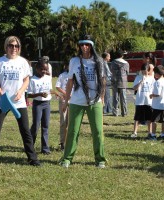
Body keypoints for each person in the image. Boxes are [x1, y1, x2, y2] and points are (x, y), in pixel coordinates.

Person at [0, 36, 40, 169]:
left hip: (19, 102)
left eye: (16, 46)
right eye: (11, 45)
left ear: (19, 48)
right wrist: (2, 95)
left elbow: (26, 80)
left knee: (25, 131)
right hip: (2, 102)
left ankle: (33, 158)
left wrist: (21, 92)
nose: (14, 48)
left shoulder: (23, 62)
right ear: (6, 47)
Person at [58, 34, 106, 168]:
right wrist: (66, 101)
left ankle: (100, 159)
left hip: (94, 101)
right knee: (73, 131)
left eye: (87, 44)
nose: (84, 47)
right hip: (77, 101)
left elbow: (103, 81)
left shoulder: (99, 61)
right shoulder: (74, 61)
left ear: (91, 45)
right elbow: (70, 82)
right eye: (82, 44)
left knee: (97, 131)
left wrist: (102, 98)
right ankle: (67, 158)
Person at [27, 59, 53, 155]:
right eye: (42, 69)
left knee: (45, 126)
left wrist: (49, 93)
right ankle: (30, 146)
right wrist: (39, 94)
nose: (44, 72)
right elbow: (29, 95)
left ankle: (45, 148)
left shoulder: (47, 78)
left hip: (47, 103)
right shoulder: (33, 80)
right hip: (38, 104)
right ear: (37, 68)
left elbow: (50, 89)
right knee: (36, 125)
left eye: (45, 70)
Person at [131, 64, 155, 138]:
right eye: (143, 71)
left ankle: (150, 132)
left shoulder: (152, 78)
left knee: (149, 118)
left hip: (149, 101)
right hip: (140, 100)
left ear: (148, 71)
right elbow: (134, 88)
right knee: (137, 118)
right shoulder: (138, 77)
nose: (144, 73)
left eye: (145, 71)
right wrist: (141, 81)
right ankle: (135, 132)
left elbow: (154, 90)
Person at [111, 50, 129, 117]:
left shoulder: (113, 62)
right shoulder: (126, 63)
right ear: (122, 55)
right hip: (123, 82)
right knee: (123, 98)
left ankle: (115, 112)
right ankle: (124, 112)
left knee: (115, 98)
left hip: (115, 81)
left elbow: (111, 70)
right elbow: (127, 73)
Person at [55, 65, 70, 151]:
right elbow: (57, 86)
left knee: (71, 123)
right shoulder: (63, 75)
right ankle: (62, 143)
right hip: (64, 100)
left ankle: (69, 142)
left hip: (74, 101)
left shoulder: (76, 74)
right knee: (63, 122)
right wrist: (66, 93)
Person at [148, 65, 164, 140]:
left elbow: (157, 93)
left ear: (157, 73)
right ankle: (162, 134)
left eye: (155, 73)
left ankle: (153, 135)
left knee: (154, 120)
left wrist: (151, 95)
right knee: (163, 121)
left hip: (157, 105)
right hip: (163, 104)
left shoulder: (158, 82)